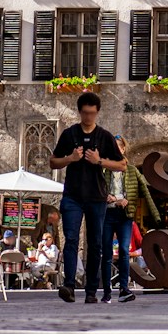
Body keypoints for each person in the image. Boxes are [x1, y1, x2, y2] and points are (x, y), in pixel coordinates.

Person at [47, 91, 123, 305]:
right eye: (85, 113)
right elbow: (53, 162)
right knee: (71, 239)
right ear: (79, 112)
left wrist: (100, 161)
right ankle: (69, 285)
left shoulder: (105, 136)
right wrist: (71, 158)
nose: (88, 117)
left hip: (97, 197)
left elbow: (122, 165)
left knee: (95, 243)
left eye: (92, 113)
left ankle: (91, 291)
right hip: (72, 195)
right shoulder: (70, 134)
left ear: (97, 113)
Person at [102, 134, 154, 303]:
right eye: (114, 146)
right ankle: (107, 291)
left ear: (124, 149)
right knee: (107, 252)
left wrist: (128, 200)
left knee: (125, 250)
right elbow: (96, 188)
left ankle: (124, 288)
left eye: (119, 146)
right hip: (108, 213)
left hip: (125, 215)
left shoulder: (131, 170)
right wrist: (105, 196)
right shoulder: (104, 169)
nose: (117, 149)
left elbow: (141, 191)